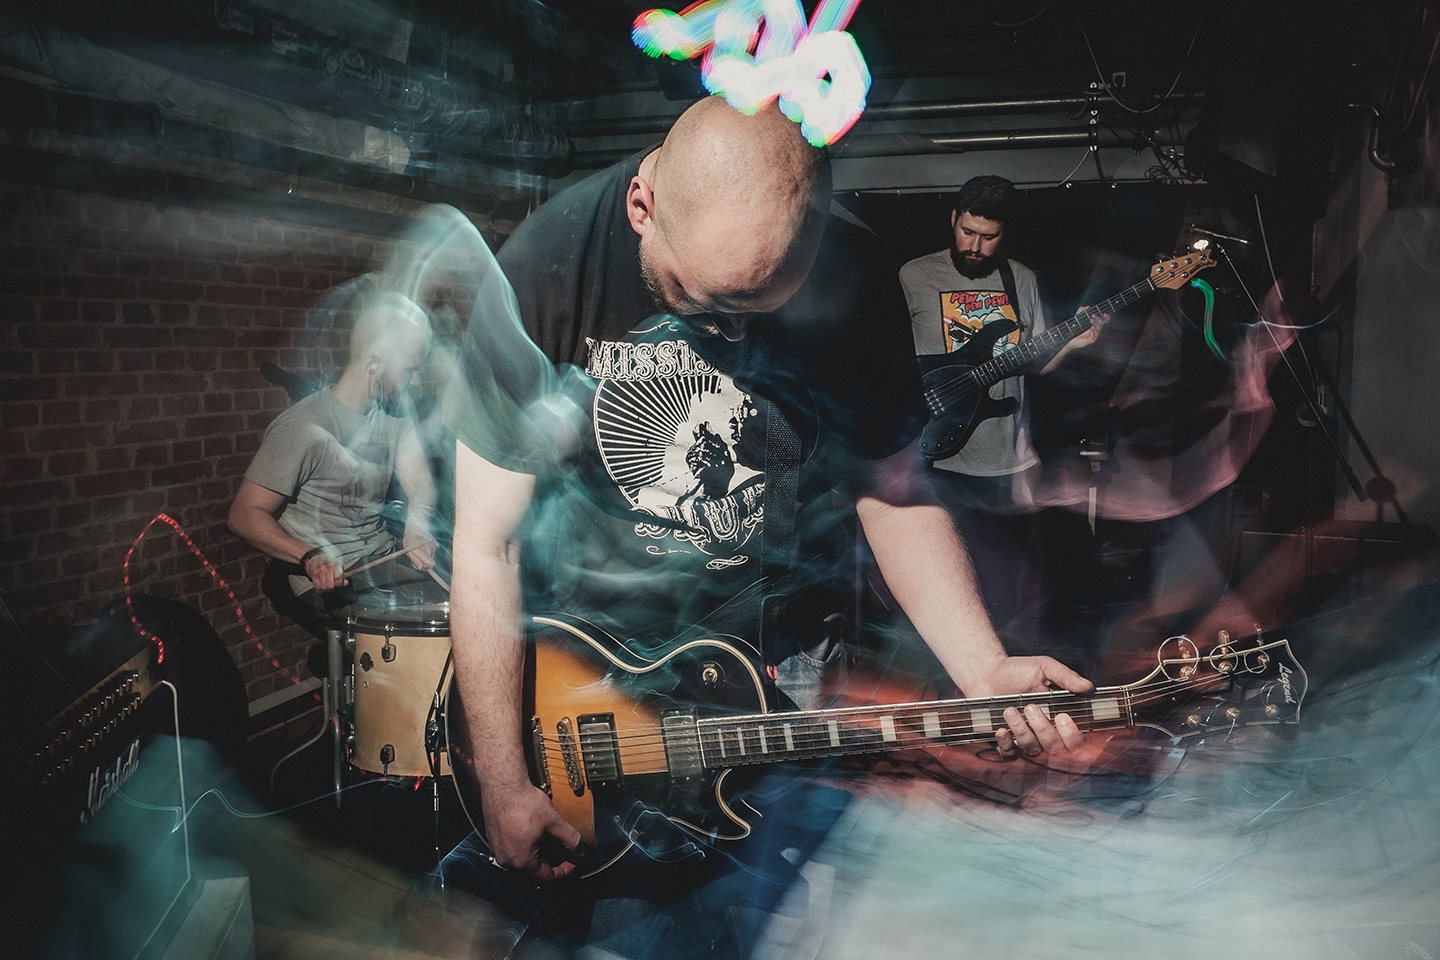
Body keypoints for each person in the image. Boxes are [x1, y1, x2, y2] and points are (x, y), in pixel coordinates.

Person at [445, 98, 1093, 954]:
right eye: (709, 298)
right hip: (588, 684)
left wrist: (983, 665)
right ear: (643, 207)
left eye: (763, 306)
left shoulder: (855, 275)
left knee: (741, 925)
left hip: (776, 671)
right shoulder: (547, 263)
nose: (732, 332)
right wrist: (501, 777)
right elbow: (487, 541)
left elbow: (892, 488)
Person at [899, 175, 1103, 650]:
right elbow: (887, 361)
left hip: (1007, 464)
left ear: (1004, 233)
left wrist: (1074, 343)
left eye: (988, 237)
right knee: (945, 594)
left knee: (1010, 596)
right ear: (953, 220)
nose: (975, 246)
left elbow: (1035, 363)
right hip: (938, 459)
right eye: (967, 232)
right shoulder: (913, 277)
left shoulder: (1021, 279)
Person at [228, 291, 442, 640]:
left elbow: (421, 481)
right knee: (430, 632)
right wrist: (309, 556)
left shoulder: (396, 414)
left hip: (380, 557)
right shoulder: (303, 426)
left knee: (465, 599)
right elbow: (243, 514)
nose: (416, 382)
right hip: (330, 574)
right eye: (410, 370)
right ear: (374, 362)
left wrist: (417, 525)